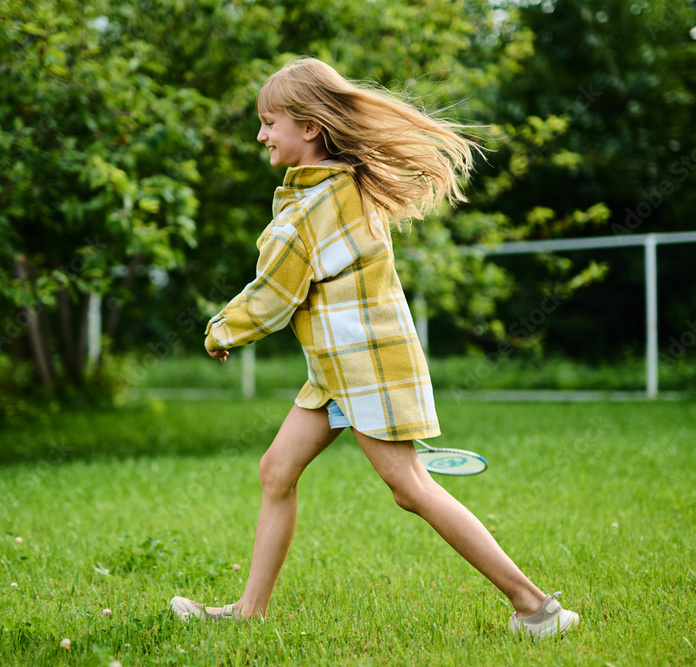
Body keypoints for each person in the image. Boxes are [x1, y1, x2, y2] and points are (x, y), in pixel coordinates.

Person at [170, 57, 579, 639]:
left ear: (309, 128)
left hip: (366, 367)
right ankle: (249, 610)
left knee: (410, 489)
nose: (261, 134)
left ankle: (537, 608)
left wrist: (219, 330)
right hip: (337, 370)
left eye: (269, 122)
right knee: (276, 471)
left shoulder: (313, 205)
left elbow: (273, 294)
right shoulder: (336, 185)